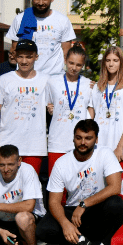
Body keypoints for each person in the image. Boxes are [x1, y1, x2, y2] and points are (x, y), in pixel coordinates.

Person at [36, 119, 123, 245]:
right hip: (74, 214)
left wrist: (84, 204)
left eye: (88, 138)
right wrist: (65, 223)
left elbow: (115, 187)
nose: (83, 142)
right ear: (73, 138)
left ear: (96, 139)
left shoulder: (104, 153)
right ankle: (80, 240)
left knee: (116, 203)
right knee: (43, 230)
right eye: (79, 138)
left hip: (96, 210)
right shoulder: (62, 163)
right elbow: (53, 201)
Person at [0, 39, 49, 172]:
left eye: (29, 57)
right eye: (20, 56)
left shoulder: (46, 80)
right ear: (15, 57)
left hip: (34, 147)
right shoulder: (4, 80)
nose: (24, 61)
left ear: (36, 57)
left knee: (28, 188)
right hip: (5, 145)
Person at [6, 0, 76, 76]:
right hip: (27, 76)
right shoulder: (20, 19)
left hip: (54, 76)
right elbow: (15, 49)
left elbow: (66, 53)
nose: (40, 3)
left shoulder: (62, 20)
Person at [90, 46, 123, 173]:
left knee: (118, 189)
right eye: (108, 60)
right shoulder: (98, 86)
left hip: (119, 148)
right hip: (98, 146)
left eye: (115, 60)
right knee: (100, 187)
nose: (111, 64)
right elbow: (91, 115)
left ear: (121, 62)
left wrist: (120, 146)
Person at [46, 45, 93, 176]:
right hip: (57, 142)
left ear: (83, 65)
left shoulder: (88, 84)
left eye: (78, 65)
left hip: (80, 143)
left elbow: (91, 110)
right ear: (65, 61)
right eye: (71, 63)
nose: (74, 67)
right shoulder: (52, 82)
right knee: (57, 185)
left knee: (78, 184)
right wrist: (50, 109)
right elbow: (48, 104)